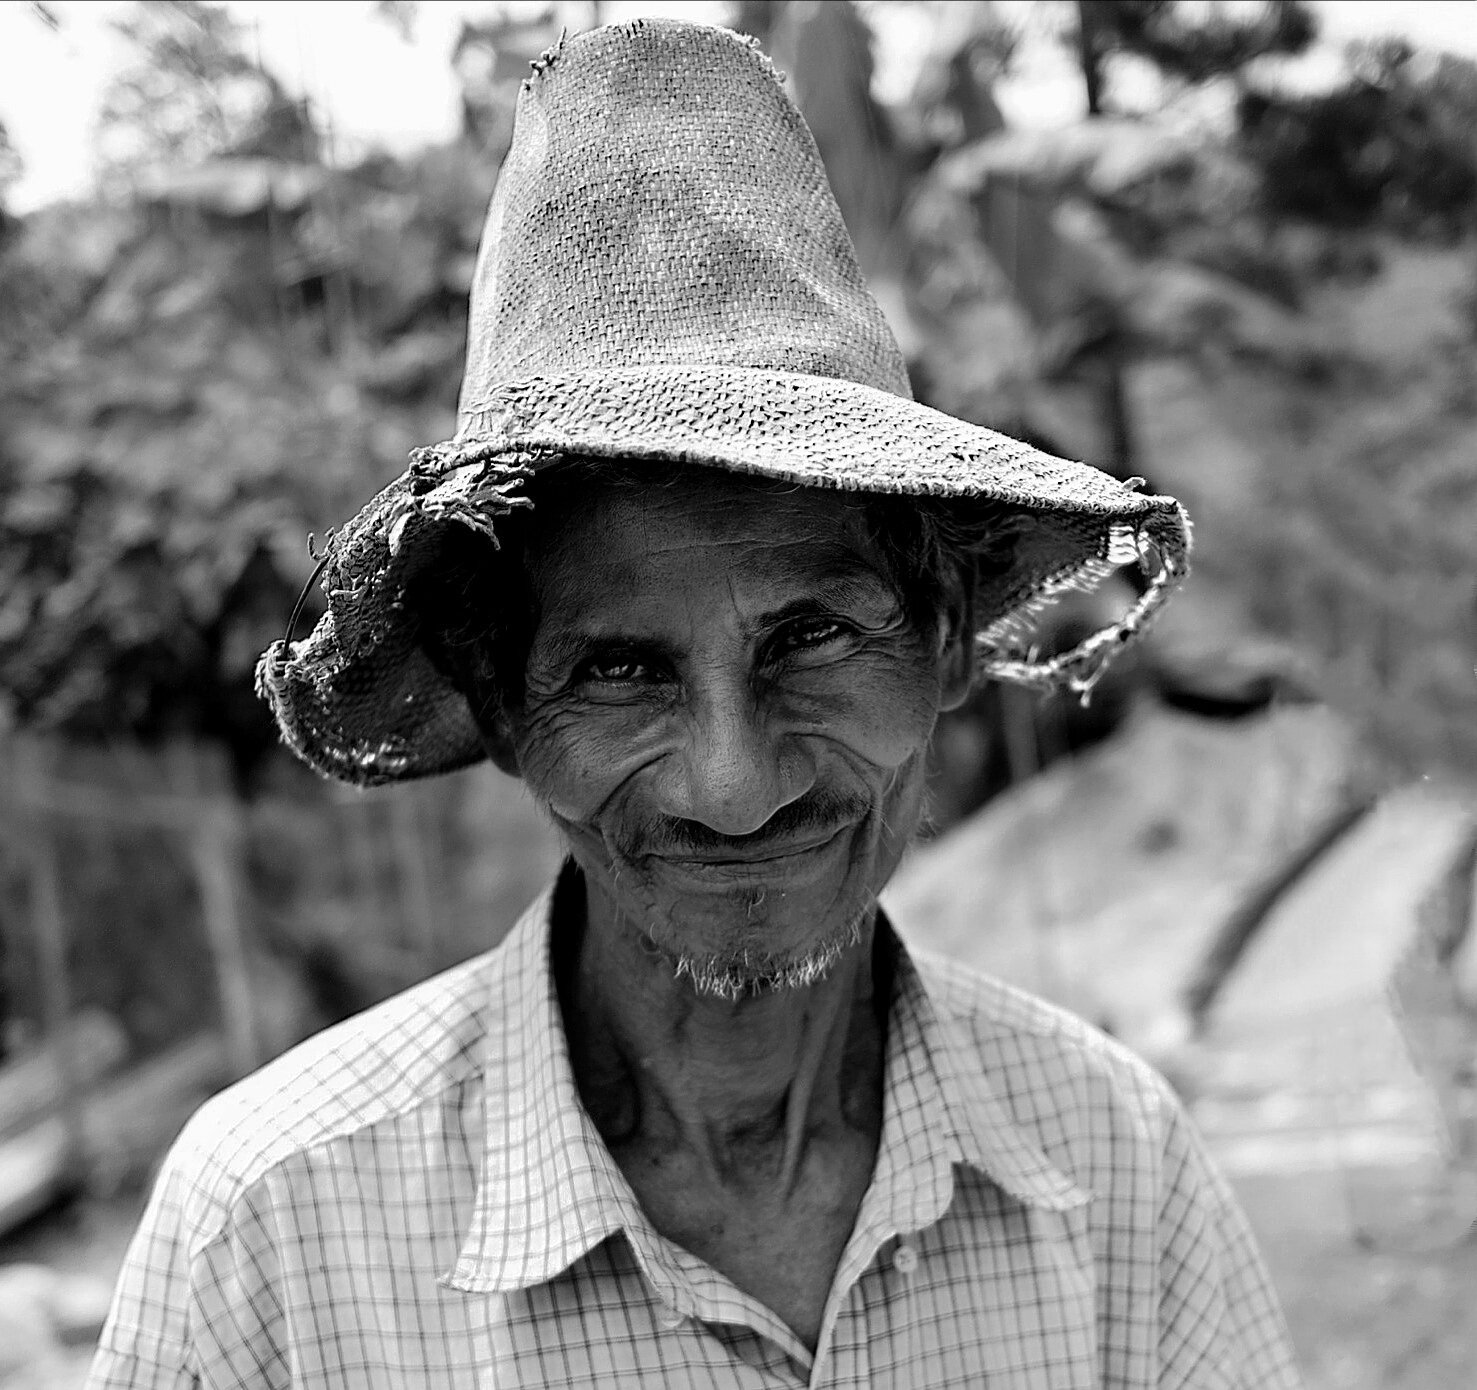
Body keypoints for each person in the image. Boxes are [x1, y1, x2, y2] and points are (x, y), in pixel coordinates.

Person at [90, 18, 1301, 1389]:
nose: (734, 781)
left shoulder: (1112, 1164)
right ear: (499, 704)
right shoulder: (277, 1232)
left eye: (814, 634)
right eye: (619, 668)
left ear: (949, 645)